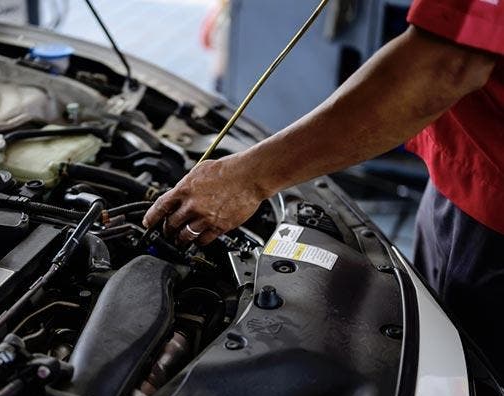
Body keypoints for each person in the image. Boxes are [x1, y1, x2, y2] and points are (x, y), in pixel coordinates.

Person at [143, 0, 503, 372]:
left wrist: (248, 179)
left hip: (494, 217)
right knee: (435, 342)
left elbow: (445, 66)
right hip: (465, 173)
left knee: (469, 375)